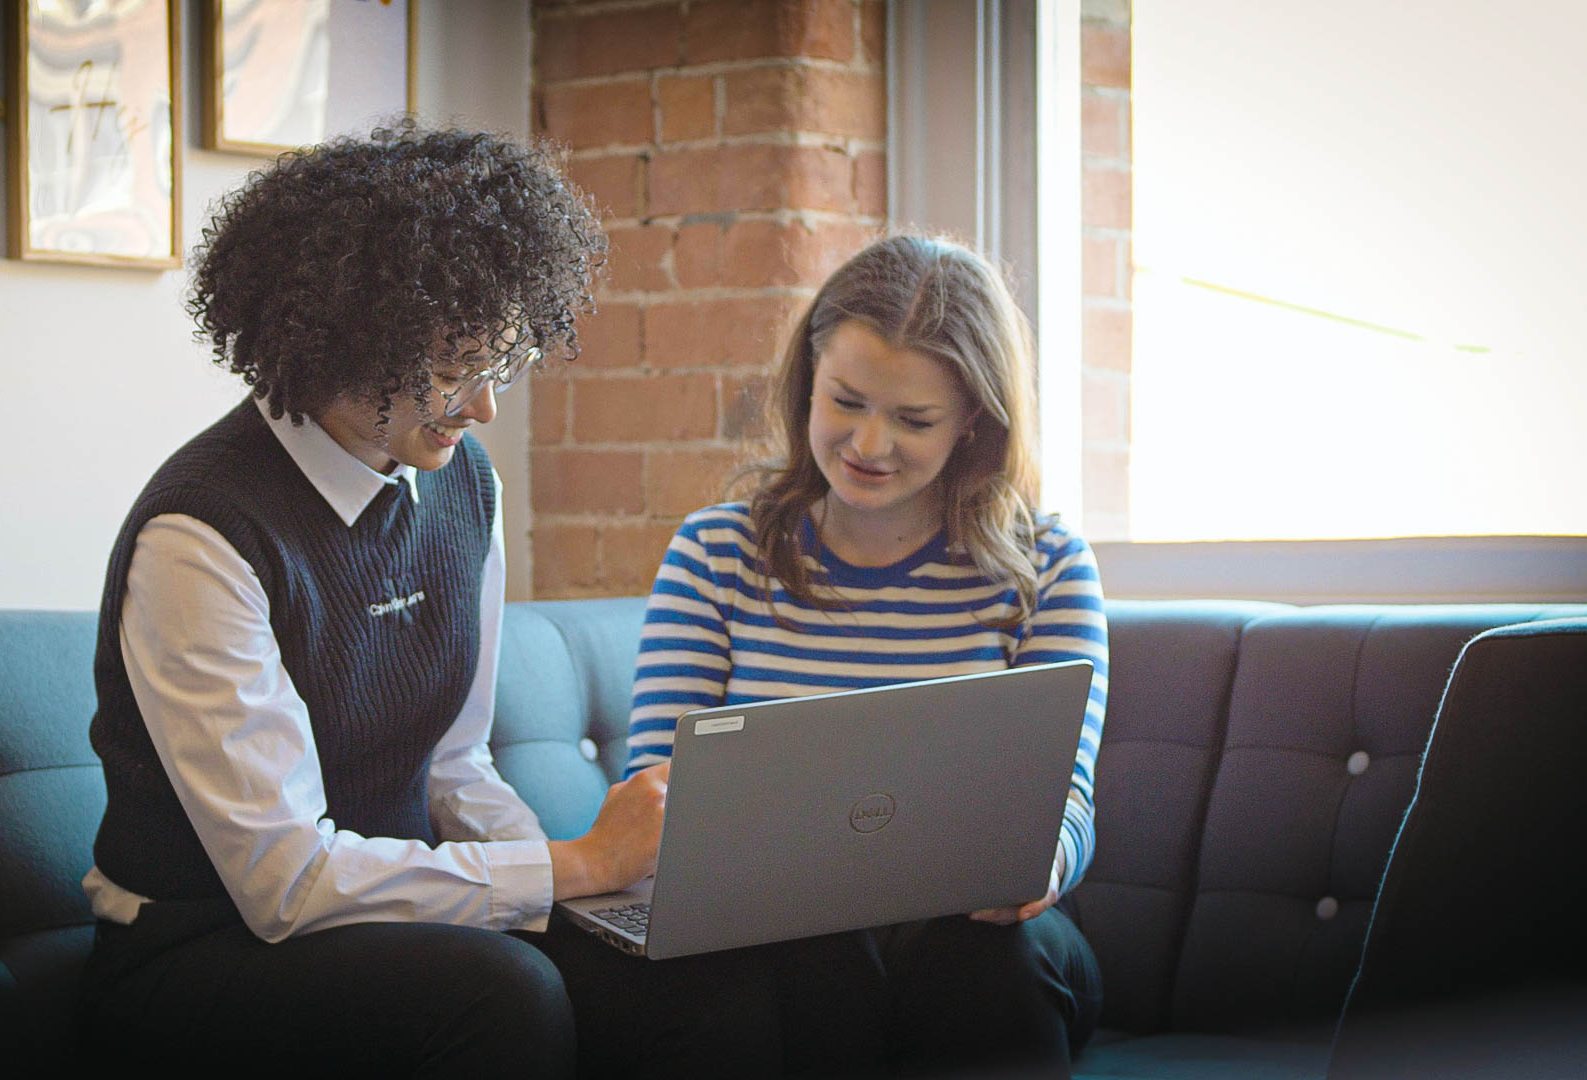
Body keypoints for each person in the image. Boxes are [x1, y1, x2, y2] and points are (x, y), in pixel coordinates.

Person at [76, 122, 723, 1076]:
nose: (485, 409)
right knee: (504, 998)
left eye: (498, 364)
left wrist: (603, 896)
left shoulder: (464, 487)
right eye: (454, 373)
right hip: (198, 948)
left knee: (693, 978)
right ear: (340, 341)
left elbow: (453, 766)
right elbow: (285, 884)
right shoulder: (202, 534)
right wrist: (573, 866)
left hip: (393, 921)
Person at [625, 234, 1109, 1077]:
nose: (868, 444)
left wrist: (1037, 869)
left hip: (982, 944)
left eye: (913, 420)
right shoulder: (716, 553)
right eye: (845, 401)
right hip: (780, 935)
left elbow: (1066, 798)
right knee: (789, 960)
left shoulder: (1049, 563)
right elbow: (656, 790)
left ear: (973, 424)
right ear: (808, 379)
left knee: (993, 963)